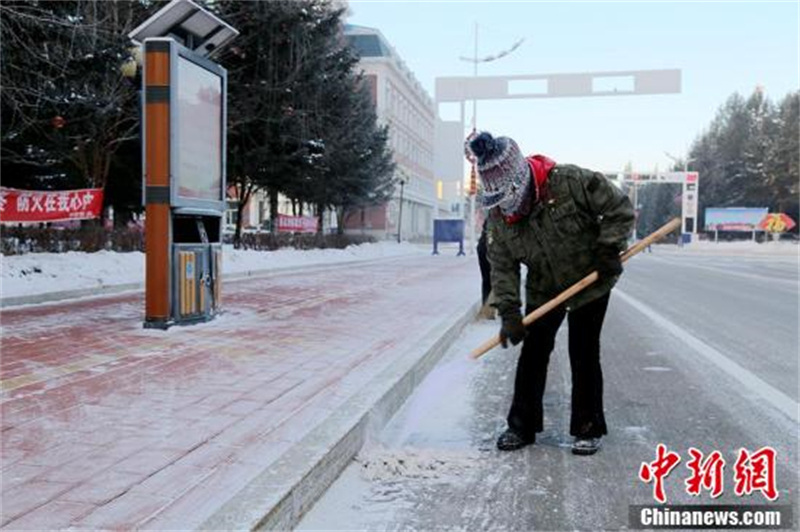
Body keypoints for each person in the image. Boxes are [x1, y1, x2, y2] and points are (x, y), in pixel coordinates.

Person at [466, 131, 634, 455]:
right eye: (496, 201)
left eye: (506, 198)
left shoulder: (570, 182)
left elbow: (618, 208)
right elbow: (502, 267)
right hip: (544, 286)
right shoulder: (500, 219)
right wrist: (511, 313)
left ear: (520, 182)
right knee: (533, 352)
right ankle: (521, 426)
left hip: (591, 277)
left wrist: (609, 248)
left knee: (583, 351)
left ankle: (588, 428)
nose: (504, 209)